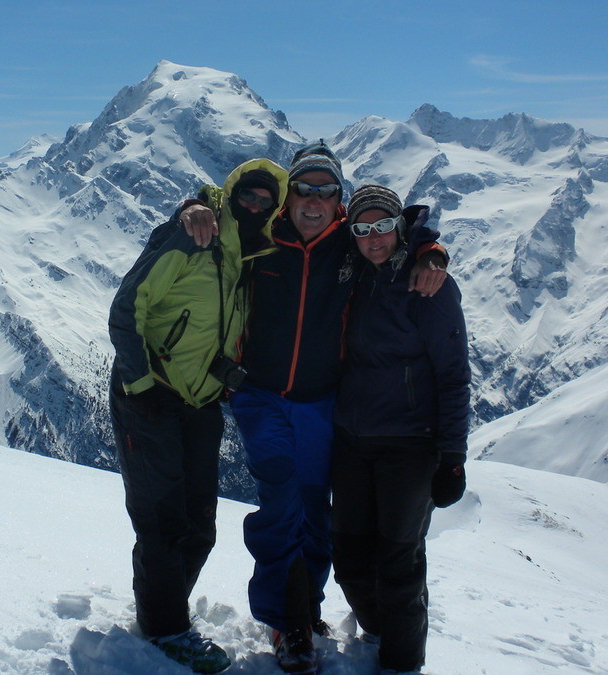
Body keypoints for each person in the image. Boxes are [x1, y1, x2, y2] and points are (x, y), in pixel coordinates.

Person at [179, 142, 449, 674]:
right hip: (261, 396)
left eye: (326, 190)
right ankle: (287, 622)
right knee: (281, 505)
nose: (313, 199)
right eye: (304, 187)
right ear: (290, 194)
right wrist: (191, 205)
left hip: (324, 401)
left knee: (315, 511)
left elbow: (401, 228)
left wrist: (429, 251)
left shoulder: (348, 243)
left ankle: (306, 607)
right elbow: (218, 204)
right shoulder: (263, 234)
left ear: (339, 200)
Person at [108, 159, 287, 673]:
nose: (254, 207)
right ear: (229, 197)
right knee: (161, 521)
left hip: (200, 402)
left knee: (200, 526)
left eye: (264, 201)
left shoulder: (246, 254)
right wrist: (141, 385)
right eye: (246, 196)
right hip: (150, 395)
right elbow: (126, 310)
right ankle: (166, 628)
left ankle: (161, 611)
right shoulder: (193, 237)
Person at [331, 185, 470, 674]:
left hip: (411, 444)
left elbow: (453, 374)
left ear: (399, 228)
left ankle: (402, 663)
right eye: (362, 229)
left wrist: (452, 456)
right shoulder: (349, 273)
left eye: (383, 227)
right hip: (350, 440)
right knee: (348, 558)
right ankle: (379, 633)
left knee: (399, 563)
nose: (373, 238)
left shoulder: (427, 284)